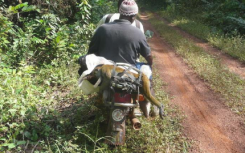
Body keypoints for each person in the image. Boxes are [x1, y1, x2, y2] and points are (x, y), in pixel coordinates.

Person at [87, 0, 158, 118]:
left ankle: (99, 98)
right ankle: (148, 105)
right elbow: (148, 56)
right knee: (147, 76)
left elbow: (91, 52)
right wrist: (150, 64)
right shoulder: (138, 32)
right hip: (129, 71)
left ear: (119, 11)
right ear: (134, 16)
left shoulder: (102, 29)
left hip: (106, 71)